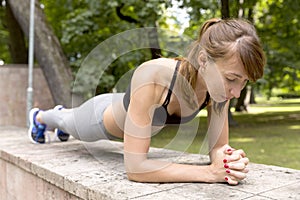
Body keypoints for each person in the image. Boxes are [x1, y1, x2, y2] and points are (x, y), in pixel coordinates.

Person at [28, 18, 266, 185]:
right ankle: (40, 116)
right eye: (232, 79)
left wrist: (228, 160)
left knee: (65, 121)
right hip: (99, 118)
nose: (236, 91)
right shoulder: (153, 75)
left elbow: (217, 147)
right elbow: (135, 168)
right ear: (204, 60)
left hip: (128, 112)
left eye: (244, 82)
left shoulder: (219, 91)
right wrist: (209, 173)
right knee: (65, 120)